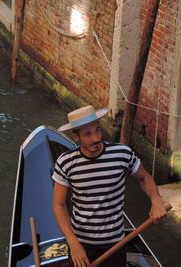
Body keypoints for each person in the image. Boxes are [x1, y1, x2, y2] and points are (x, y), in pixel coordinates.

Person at [52, 105, 167, 267]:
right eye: (87, 134)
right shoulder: (66, 162)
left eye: (98, 130)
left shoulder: (122, 153)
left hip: (115, 244)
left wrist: (156, 200)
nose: (96, 138)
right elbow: (59, 204)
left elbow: (144, 177)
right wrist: (73, 243)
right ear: (76, 137)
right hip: (81, 244)